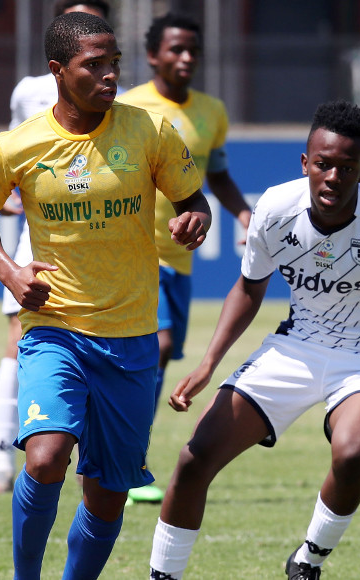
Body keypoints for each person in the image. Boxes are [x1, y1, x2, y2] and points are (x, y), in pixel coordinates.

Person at [0, 12, 212, 579]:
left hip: (130, 336)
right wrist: (11, 273)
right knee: (46, 458)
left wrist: (195, 217)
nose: (109, 75)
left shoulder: (149, 131)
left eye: (113, 63)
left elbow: (193, 199)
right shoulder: (18, 146)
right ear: (58, 70)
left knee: (107, 492)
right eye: (93, 65)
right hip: (56, 329)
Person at [147, 101, 360, 580]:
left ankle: (308, 561)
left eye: (347, 168)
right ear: (305, 162)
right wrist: (207, 364)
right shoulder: (274, 209)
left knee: (351, 453)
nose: (333, 177)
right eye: (323, 164)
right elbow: (248, 288)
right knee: (194, 458)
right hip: (295, 347)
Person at [117, 12, 252, 504]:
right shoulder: (129, 107)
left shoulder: (212, 111)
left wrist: (244, 214)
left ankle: (115, 448)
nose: (187, 57)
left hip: (181, 257)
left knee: (156, 354)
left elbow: (217, 175)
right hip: (134, 250)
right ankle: (128, 460)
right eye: (176, 49)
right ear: (153, 55)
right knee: (158, 346)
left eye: (193, 49)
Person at [0, 0, 114, 496]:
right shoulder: (29, 92)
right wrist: (10, 195)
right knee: (19, 338)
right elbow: (13, 152)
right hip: (40, 239)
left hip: (103, 246)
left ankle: (94, 461)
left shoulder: (117, 97)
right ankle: (3, 459)